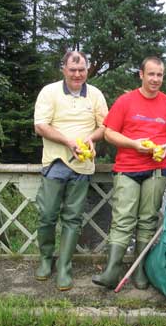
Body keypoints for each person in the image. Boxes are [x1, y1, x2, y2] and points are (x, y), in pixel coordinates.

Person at [92, 56, 166, 290]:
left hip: (157, 169)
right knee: (123, 219)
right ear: (141, 75)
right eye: (151, 74)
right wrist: (135, 144)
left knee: (148, 220)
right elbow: (109, 133)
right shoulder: (126, 101)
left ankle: (140, 270)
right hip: (127, 168)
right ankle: (111, 271)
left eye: (160, 75)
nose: (155, 79)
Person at [33, 51, 108, 291]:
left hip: (82, 166)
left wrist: (91, 138)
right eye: (73, 69)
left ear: (87, 70)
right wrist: (69, 142)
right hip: (55, 162)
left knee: (73, 219)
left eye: (82, 69)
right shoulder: (49, 91)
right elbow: (40, 126)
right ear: (63, 68)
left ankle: (64, 267)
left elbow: (106, 126)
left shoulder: (95, 95)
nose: (77, 74)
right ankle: (46, 259)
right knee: (46, 215)